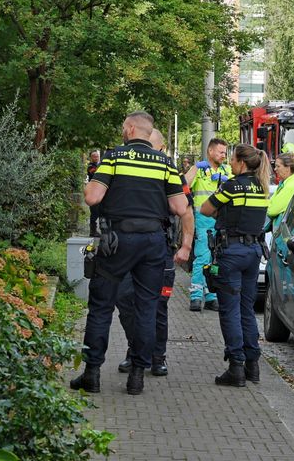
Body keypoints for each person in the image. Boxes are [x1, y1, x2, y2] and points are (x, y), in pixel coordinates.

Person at [70, 111, 193, 396]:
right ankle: (137, 376)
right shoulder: (166, 163)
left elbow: (92, 197)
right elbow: (179, 207)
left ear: (130, 128)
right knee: (147, 308)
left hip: (117, 240)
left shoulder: (114, 157)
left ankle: (92, 374)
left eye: (124, 127)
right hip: (153, 243)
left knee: (101, 306)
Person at [115, 129, 194, 377]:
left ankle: (157, 356)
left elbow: (186, 211)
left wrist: (186, 246)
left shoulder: (170, 173)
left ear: (159, 150)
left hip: (159, 250)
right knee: (125, 300)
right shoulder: (124, 167)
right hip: (127, 249)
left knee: (158, 306)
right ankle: (135, 349)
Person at [199, 144, 270, 387]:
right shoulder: (262, 187)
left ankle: (236, 366)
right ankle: (253, 365)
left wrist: (223, 215)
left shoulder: (232, 186)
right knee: (246, 309)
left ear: (241, 162)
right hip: (253, 253)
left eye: (232, 159)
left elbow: (205, 208)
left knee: (229, 310)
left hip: (232, 253)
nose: (229, 162)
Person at [184, 138, 231, 312]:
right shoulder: (200, 169)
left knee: (217, 259)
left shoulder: (227, 170)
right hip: (203, 219)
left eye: (225, 153)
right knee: (202, 257)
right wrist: (195, 168)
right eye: (221, 152)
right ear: (210, 151)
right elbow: (185, 184)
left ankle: (212, 295)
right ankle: (196, 296)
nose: (224, 155)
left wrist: (226, 181)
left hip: (221, 220)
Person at [265, 151, 294, 232]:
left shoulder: (290, 187)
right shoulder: (285, 183)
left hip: (283, 237)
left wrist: (268, 204)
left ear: (287, 168)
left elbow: (271, 211)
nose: (275, 169)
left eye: (278, 166)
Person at [87, 150, 101, 237]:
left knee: (102, 210)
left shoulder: (100, 165)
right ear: (91, 158)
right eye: (94, 156)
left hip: (100, 191)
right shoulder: (90, 166)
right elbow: (95, 173)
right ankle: (92, 231)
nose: (96, 158)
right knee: (94, 211)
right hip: (92, 191)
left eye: (97, 156)